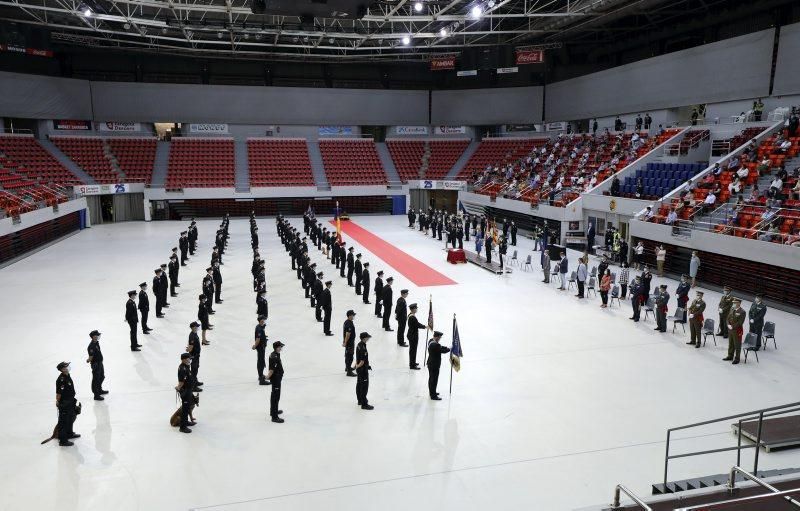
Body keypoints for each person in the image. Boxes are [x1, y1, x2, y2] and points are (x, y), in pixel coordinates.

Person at [55, 361, 80, 446]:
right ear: (62, 369)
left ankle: (69, 433)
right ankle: (63, 440)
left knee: (70, 418)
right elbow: (59, 393)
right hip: (64, 403)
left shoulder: (67, 375)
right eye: (66, 367)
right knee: (63, 422)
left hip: (70, 401)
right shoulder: (61, 380)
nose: (68, 367)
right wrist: (58, 402)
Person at [427, 331, 451, 401]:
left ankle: (432, 392)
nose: (440, 339)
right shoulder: (435, 345)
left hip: (430, 363)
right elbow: (442, 350)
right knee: (434, 380)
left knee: (431, 379)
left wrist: (447, 347)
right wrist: (449, 349)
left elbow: (440, 346)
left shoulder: (431, 341)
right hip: (434, 365)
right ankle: (433, 396)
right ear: (436, 337)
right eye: (439, 337)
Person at [175, 353, 195, 433]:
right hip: (185, 391)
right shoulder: (182, 368)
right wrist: (178, 388)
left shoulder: (186, 366)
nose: (190, 360)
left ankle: (186, 421)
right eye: (188, 358)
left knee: (187, 408)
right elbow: (181, 381)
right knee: (185, 409)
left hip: (188, 390)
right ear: (183, 359)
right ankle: (182, 427)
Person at [86, 330, 107, 400]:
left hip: (100, 363)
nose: (98, 336)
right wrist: (88, 360)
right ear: (93, 337)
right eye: (97, 335)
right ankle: (96, 394)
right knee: (96, 379)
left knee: (101, 377)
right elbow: (91, 357)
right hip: (96, 364)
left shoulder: (96, 343)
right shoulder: (91, 346)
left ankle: (99, 390)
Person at [267, 341, 285, 423]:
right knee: (276, 397)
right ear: (276, 347)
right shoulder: (274, 356)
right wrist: (267, 377)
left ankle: (273, 411)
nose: (281, 348)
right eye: (280, 347)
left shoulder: (276, 354)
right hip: (276, 379)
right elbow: (271, 369)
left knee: (274, 395)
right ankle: (274, 417)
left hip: (277, 378)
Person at [724, 298, 746, 364]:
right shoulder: (732, 309)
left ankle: (737, 358)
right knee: (731, 344)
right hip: (730, 330)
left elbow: (740, 322)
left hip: (737, 330)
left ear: (739, 303)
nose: (733, 304)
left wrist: (732, 326)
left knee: (737, 345)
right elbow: (727, 318)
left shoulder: (742, 312)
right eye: (733, 302)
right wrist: (728, 324)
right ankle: (730, 356)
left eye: (735, 302)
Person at [406, 303, 427, 370]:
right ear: (413, 309)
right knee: (413, 351)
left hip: (411, 334)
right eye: (416, 308)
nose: (416, 309)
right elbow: (417, 324)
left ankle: (413, 362)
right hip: (413, 336)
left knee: (413, 350)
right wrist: (424, 326)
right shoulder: (412, 317)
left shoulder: (410, 315)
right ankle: (412, 365)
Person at [355, 332, 373, 410]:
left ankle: (359, 400)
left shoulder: (359, 345)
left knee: (359, 385)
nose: (368, 338)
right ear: (364, 338)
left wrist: (356, 366)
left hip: (359, 370)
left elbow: (358, 358)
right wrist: (358, 366)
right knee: (364, 387)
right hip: (362, 370)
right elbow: (362, 361)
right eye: (367, 337)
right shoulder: (363, 348)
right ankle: (364, 404)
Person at [186, 321, 203, 392]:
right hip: (194, 356)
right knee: (194, 371)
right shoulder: (192, 335)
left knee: (196, 369)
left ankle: (195, 381)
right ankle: (193, 387)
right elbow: (190, 347)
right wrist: (188, 350)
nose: (198, 327)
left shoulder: (194, 334)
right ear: (193, 327)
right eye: (196, 326)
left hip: (196, 355)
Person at [253, 315, 270, 385]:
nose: (264, 321)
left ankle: (261, 375)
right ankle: (261, 379)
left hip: (261, 347)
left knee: (260, 361)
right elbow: (258, 339)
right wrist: (255, 346)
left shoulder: (259, 326)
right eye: (263, 319)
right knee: (261, 362)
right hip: (260, 347)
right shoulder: (259, 329)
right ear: (261, 320)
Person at [343, 310, 357, 377]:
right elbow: (348, 334)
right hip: (350, 343)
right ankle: (349, 372)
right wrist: (345, 342)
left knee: (347, 356)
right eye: (353, 315)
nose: (354, 316)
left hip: (348, 342)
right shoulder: (349, 324)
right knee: (350, 357)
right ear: (350, 316)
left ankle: (347, 368)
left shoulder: (347, 322)